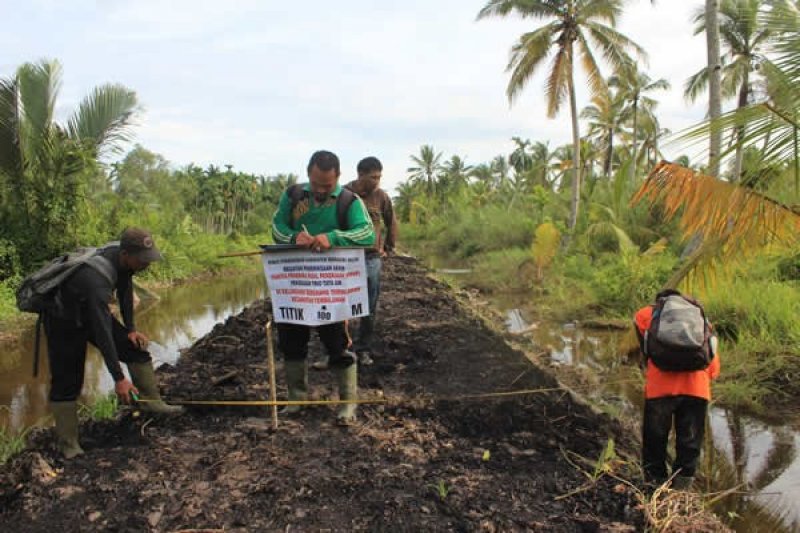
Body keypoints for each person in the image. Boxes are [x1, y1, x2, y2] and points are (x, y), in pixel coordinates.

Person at [45, 227, 182, 459]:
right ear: (126, 254)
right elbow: (103, 332)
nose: (146, 264)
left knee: (134, 349)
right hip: (63, 321)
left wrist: (131, 329)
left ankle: (150, 402)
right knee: (68, 383)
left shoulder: (122, 262)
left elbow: (125, 291)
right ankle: (67, 444)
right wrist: (119, 379)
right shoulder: (95, 279)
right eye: (142, 260)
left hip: (89, 312)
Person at [271, 150, 375, 424]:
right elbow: (277, 228)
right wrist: (295, 237)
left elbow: (367, 233)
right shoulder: (293, 196)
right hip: (296, 284)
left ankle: (347, 403)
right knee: (291, 339)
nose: (320, 190)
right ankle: (297, 399)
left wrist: (333, 238)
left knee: (337, 342)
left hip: (333, 286)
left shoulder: (349, 201)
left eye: (326, 185)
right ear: (308, 174)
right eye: (316, 183)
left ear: (338, 178)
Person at [634, 289, 721, 490]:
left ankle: (653, 486)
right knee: (689, 443)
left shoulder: (645, 314)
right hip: (697, 390)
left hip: (659, 389)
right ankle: (682, 492)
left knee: (655, 440)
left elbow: (646, 349)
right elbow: (713, 365)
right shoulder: (701, 319)